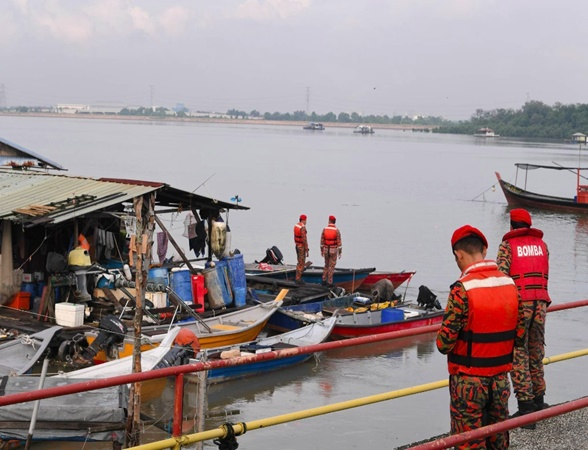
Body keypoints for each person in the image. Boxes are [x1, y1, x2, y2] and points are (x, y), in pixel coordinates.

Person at [436, 225, 525, 449]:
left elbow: (443, 344)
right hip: (500, 380)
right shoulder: (510, 285)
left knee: (469, 442)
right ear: (484, 250)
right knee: (498, 439)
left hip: (468, 383)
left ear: (458, 254)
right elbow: (521, 336)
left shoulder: (462, 289)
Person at [497, 208, 551, 424]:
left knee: (518, 352)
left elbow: (501, 277)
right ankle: (539, 400)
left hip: (519, 306)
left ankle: (526, 407)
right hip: (541, 304)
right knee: (536, 350)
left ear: (511, 225)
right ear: (529, 225)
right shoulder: (542, 245)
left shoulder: (507, 246)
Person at [320, 215, 342, 286]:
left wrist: (321, 251)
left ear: (329, 221)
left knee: (326, 265)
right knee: (331, 266)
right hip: (333, 250)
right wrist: (340, 253)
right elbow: (339, 244)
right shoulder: (337, 230)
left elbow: (321, 242)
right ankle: (329, 282)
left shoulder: (324, 229)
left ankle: (323, 280)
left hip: (326, 250)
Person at [293, 214, 309, 284]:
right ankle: (298, 279)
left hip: (297, 245)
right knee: (301, 263)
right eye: (306, 220)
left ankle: (297, 277)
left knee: (299, 261)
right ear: (303, 220)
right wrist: (307, 249)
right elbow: (304, 239)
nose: (306, 222)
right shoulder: (302, 227)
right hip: (301, 247)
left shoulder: (296, 226)